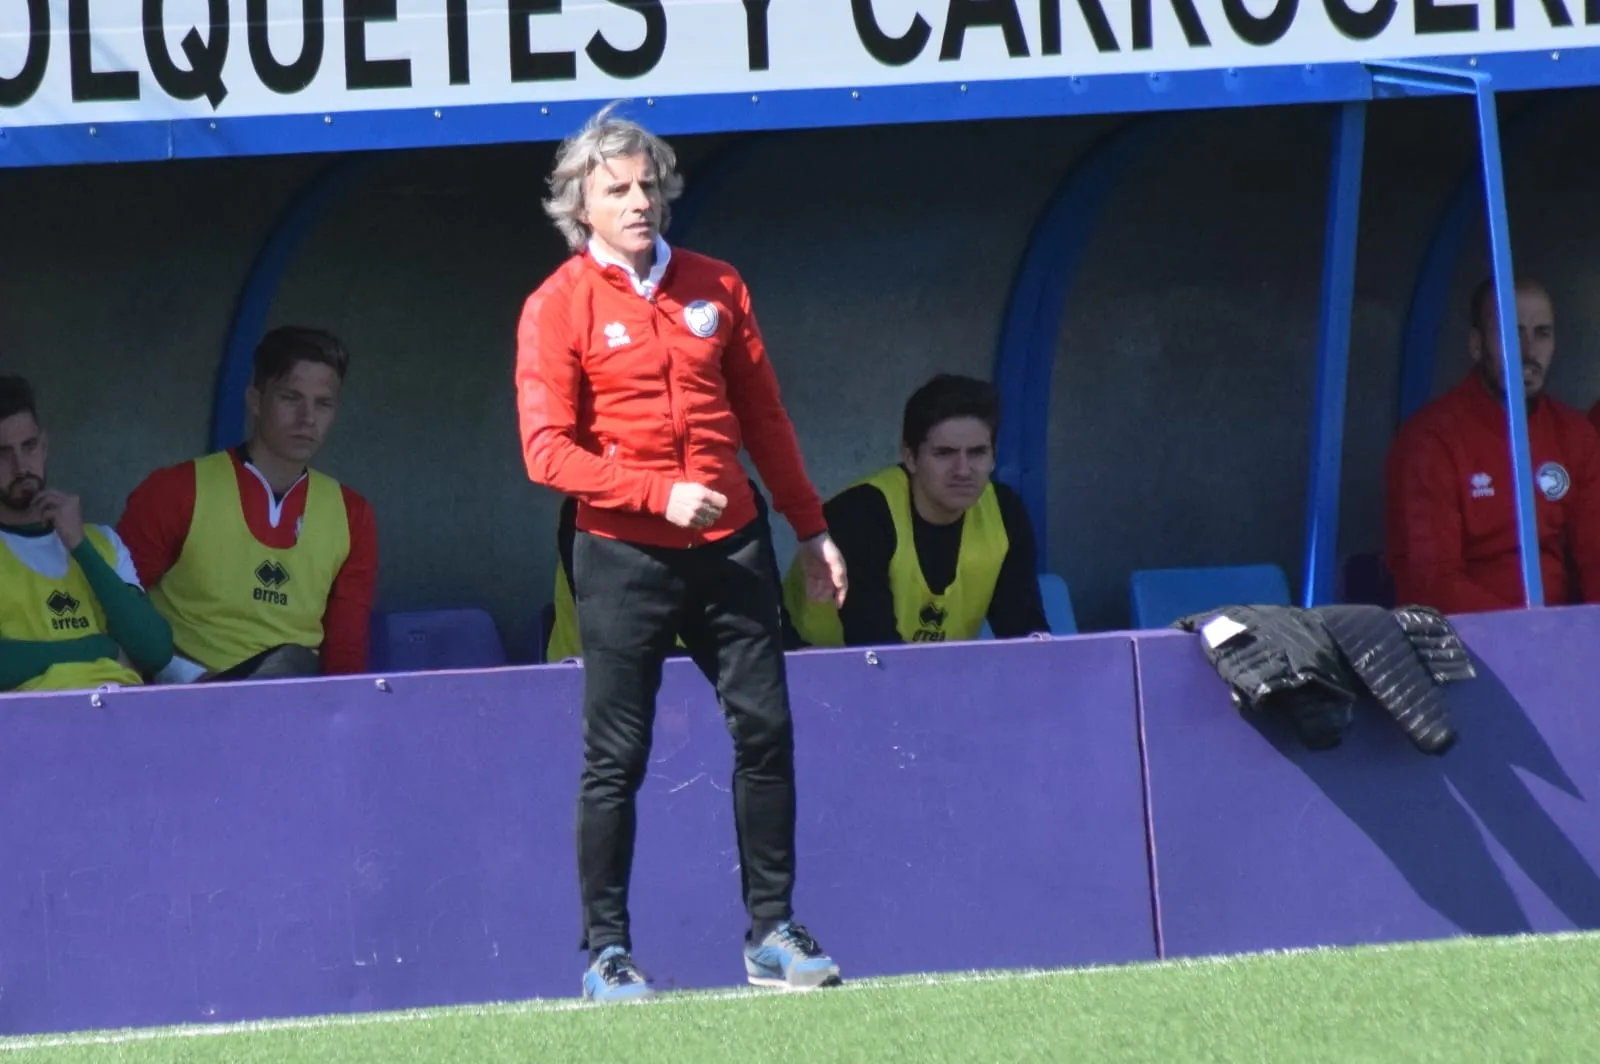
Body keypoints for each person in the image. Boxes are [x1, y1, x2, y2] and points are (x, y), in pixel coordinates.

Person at [516, 104, 848, 1003]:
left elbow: (765, 417)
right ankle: (607, 953)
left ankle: (772, 932)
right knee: (616, 756)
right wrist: (654, 492)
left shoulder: (717, 285)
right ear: (580, 206)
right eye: (616, 190)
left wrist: (811, 528)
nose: (638, 202)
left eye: (648, 186)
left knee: (765, 729)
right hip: (623, 553)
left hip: (733, 543)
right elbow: (545, 453)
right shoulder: (557, 305)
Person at [118, 327, 379, 682]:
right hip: (189, 695)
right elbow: (117, 608)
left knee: (293, 662)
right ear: (256, 401)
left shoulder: (352, 514)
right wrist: (178, 676)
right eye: (291, 398)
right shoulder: (176, 490)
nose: (307, 418)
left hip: (289, 697)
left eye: (323, 404)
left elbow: (346, 655)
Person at [1385, 277, 1600, 614]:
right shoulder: (1430, 440)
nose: (1528, 351)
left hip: (1557, 635)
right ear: (1476, 345)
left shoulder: (1575, 434)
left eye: (1542, 333)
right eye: (1512, 333)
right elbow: (1433, 581)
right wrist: (1526, 633)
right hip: (1459, 636)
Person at [784, 374, 1048, 646]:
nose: (963, 470)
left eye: (977, 453)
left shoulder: (1004, 512)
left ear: (993, 456)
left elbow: (1024, 631)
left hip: (931, 668)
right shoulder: (859, 515)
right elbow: (873, 646)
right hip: (811, 665)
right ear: (910, 457)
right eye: (944, 453)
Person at [0, 376, 173, 692]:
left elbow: (155, 651)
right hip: (38, 714)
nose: (20, 466)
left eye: (29, 446)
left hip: (124, 708)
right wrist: (100, 648)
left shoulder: (101, 541)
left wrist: (80, 546)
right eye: (3, 453)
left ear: (45, 446)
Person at [545, 479, 786, 662]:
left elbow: (765, 619)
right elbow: (619, 638)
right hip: (583, 683)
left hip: (709, 674)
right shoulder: (589, 506)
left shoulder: (736, 493)